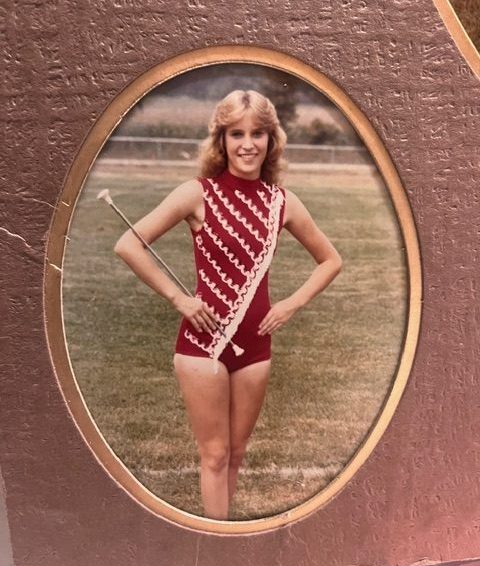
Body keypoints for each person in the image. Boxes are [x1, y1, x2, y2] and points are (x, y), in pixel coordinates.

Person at [114, 90, 342, 520]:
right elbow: (129, 244)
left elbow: (330, 260)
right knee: (215, 456)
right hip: (203, 346)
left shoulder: (283, 202)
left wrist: (291, 304)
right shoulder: (195, 194)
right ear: (221, 140)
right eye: (236, 133)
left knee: (236, 454)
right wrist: (179, 297)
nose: (248, 144)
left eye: (259, 133)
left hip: (255, 348)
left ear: (272, 140)